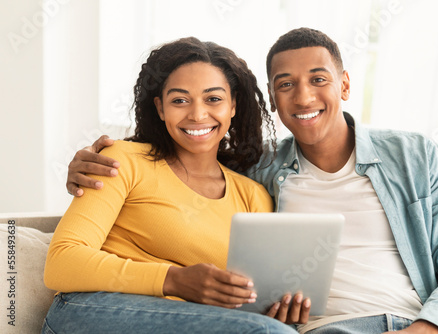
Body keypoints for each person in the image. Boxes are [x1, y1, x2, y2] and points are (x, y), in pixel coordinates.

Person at [66, 28, 438, 334]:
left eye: (319, 80)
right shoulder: (259, 172)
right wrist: (87, 163)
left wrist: (429, 329)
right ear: (272, 99)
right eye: (286, 84)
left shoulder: (413, 157)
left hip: (419, 323)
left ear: (344, 84)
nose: (304, 97)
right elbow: (185, 158)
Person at [43, 37, 303, 334]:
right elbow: (61, 262)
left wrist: (275, 308)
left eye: (213, 99)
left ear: (233, 105)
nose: (197, 114)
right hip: (90, 311)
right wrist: (174, 279)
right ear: (160, 108)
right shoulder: (120, 160)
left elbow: (246, 297)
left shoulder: (253, 195)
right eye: (179, 100)